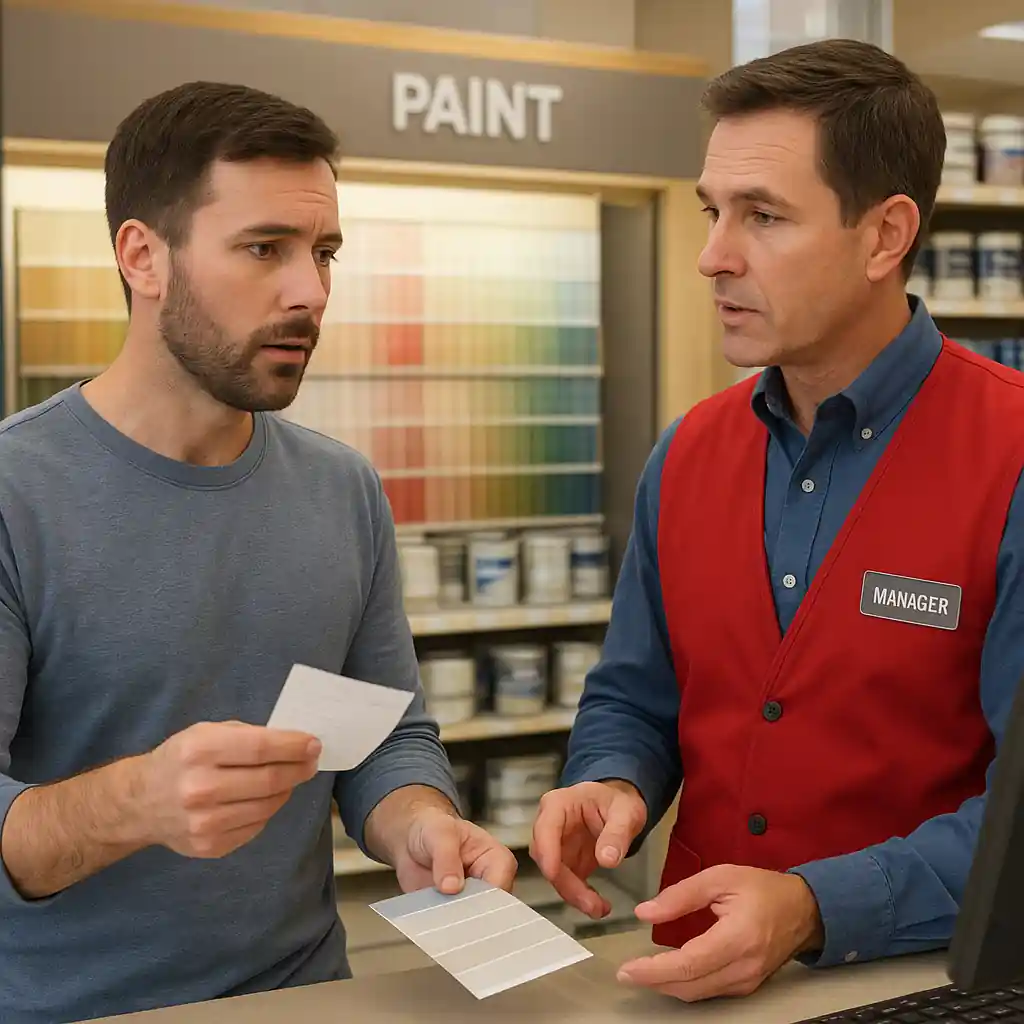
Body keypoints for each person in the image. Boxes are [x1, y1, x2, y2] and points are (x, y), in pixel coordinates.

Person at [0, 81, 516, 1024]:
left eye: (323, 253)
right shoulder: (14, 495)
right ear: (142, 256)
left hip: (309, 997)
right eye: (264, 250)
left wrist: (421, 825)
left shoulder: (342, 489)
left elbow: (382, 738)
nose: (309, 292)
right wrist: (136, 801)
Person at [531, 38, 1024, 1003]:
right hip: (690, 976)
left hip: (923, 986)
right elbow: (636, 695)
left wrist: (812, 903)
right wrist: (613, 780)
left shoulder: (1011, 455)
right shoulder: (688, 452)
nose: (713, 255)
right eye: (714, 210)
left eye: (763, 217)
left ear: (885, 236)